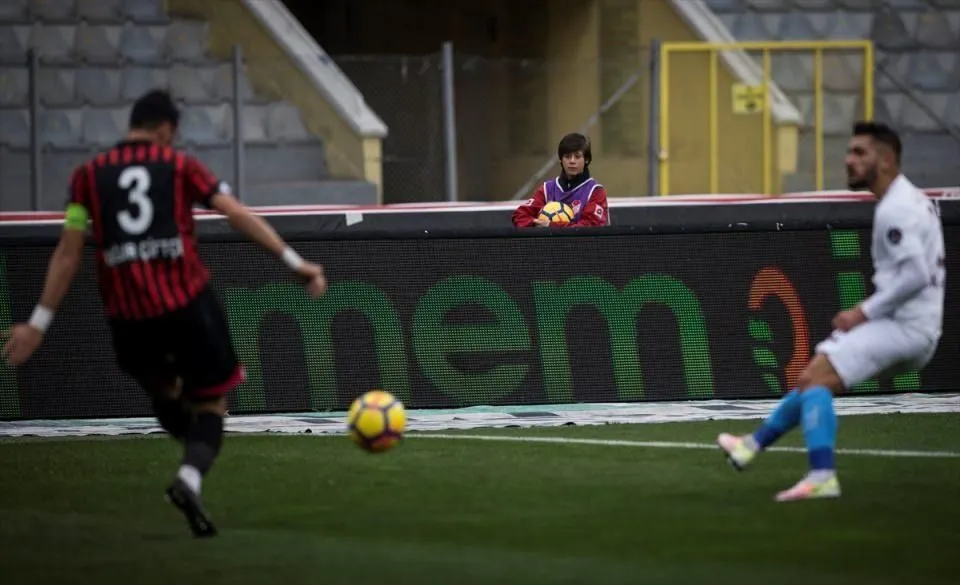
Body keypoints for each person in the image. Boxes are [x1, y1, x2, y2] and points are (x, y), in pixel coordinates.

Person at [1, 89, 328, 536]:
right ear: (166, 129)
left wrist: (38, 323)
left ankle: (181, 425)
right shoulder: (180, 166)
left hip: (128, 318)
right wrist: (294, 261)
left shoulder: (86, 178)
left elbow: (68, 252)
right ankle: (190, 477)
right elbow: (234, 213)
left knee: (164, 392)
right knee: (212, 403)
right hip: (187, 306)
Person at [716, 121, 945, 502]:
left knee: (817, 381)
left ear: (886, 160)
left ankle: (822, 475)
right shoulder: (911, 199)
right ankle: (750, 446)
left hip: (906, 328)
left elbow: (916, 275)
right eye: (850, 151)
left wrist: (862, 312)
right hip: (913, 326)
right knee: (812, 378)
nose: (849, 160)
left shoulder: (897, 208)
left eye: (860, 153)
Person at [512, 133, 610, 228]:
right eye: (567, 156)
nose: (572, 161)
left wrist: (550, 226)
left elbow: (590, 226)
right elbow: (519, 216)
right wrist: (535, 223)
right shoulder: (547, 189)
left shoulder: (595, 192)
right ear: (560, 160)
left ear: (586, 160)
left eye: (577, 156)